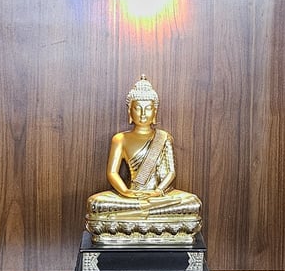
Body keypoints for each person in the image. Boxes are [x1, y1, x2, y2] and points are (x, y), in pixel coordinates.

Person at [86, 75, 202, 244]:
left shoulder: (164, 138)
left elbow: (171, 173)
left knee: (192, 203)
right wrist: (126, 192)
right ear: (129, 111)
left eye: (148, 108)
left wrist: (158, 192)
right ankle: (144, 216)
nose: (142, 114)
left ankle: (137, 217)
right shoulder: (120, 139)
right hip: (131, 194)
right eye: (137, 108)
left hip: (159, 196)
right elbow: (112, 173)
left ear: (155, 111)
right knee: (96, 203)